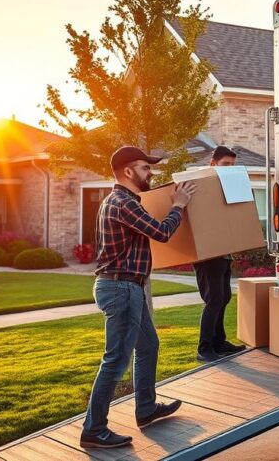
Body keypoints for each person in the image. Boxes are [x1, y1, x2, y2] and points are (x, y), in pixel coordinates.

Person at [80, 146, 197, 449]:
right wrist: (179, 205)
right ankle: (93, 429)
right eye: (146, 168)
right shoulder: (122, 202)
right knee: (116, 360)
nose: (151, 173)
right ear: (128, 172)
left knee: (148, 344)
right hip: (121, 289)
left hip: (126, 287)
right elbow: (160, 232)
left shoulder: (124, 201)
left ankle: (145, 409)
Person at [192, 146, 245, 362]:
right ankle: (204, 349)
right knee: (213, 299)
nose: (229, 168)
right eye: (225, 164)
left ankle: (219, 342)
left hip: (223, 251)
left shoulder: (228, 186)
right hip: (206, 253)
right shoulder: (200, 184)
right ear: (213, 163)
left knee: (224, 297)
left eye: (232, 165)